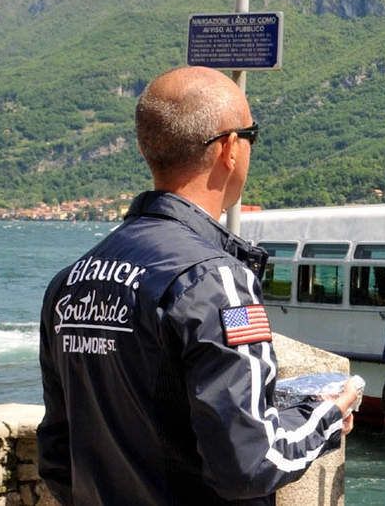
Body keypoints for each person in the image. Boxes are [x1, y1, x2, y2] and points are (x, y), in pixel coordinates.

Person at [38, 67, 356, 506]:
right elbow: (252, 463)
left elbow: (58, 456)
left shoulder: (71, 281)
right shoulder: (217, 281)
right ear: (229, 147)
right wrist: (326, 415)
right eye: (252, 135)